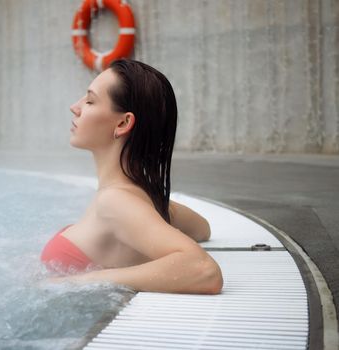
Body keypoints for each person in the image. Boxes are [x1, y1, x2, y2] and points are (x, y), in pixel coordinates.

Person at [40, 59, 223, 294]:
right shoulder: (141, 198)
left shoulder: (116, 202)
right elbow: (201, 228)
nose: (75, 107)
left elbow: (204, 271)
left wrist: (82, 281)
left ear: (123, 123)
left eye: (90, 101)